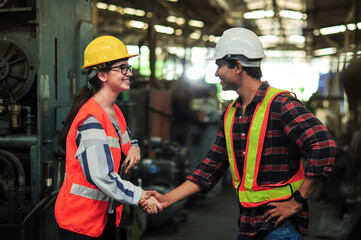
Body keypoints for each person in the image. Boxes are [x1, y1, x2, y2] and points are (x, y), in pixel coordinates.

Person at [140, 28, 338, 239]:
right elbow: (210, 167)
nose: (216, 73)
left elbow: (324, 146)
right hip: (246, 225)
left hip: (280, 228)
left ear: (237, 66)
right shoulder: (230, 114)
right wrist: (167, 199)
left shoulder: (281, 105)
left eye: (219, 66)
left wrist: (297, 201)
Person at [55, 36, 162, 240]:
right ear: (102, 75)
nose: (129, 73)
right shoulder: (91, 121)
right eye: (122, 68)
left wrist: (134, 146)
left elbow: (125, 138)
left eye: (128, 67)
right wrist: (140, 196)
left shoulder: (114, 111)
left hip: (104, 216)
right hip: (81, 222)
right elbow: (101, 176)